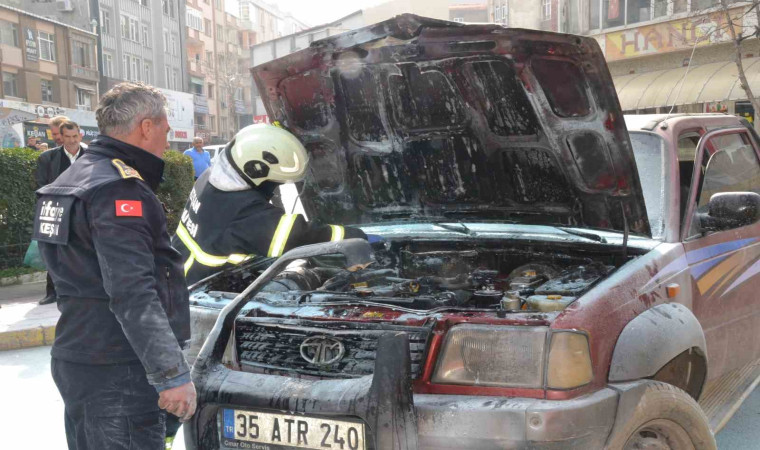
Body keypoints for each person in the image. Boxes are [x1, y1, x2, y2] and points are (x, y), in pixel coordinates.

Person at [33, 82, 195, 450]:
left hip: (79, 354)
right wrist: (171, 375)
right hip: (117, 367)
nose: (167, 144)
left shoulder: (67, 182)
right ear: (147, 127)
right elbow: (133, 293)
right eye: (166, 132)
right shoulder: (118, 189)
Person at [172, 123, 367, 286]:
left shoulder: (211, 177)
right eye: (274, 182)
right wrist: (353, 236)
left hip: (183, 274)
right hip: (201, 288)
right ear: (255, 169)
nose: (274, 188)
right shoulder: (243, 211)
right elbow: (296, 236)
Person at [35, 120, 87, 305]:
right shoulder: (47, 158)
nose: (72, 141)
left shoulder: (91, 155)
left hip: (86, 211)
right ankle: (52, 292)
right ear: (60, 137)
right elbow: (41, 186)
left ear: (80, 135)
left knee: (89, 250)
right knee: (55, 252)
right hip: (58, 210)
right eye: (68, 137)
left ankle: (90, 291)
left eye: (75, 136)